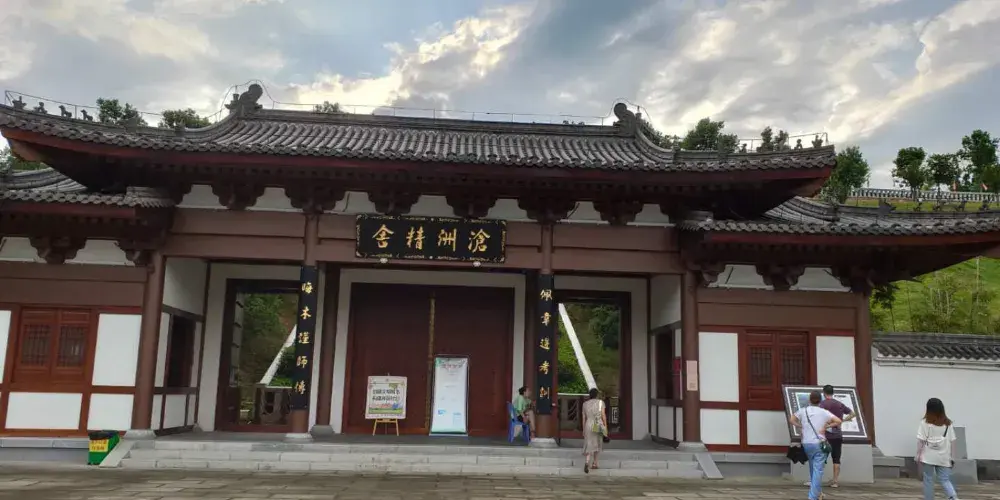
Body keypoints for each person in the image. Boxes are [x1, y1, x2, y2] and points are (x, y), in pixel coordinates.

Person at [790, 390, 842, 500]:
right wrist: (826, 427)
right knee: (818, 470)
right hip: (819, 443)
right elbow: (838, 421)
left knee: (813, 468)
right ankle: (813, 497)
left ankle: (818, 494)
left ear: (810, 399)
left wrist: (801, 426)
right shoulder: (824, 412)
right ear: (820, 400)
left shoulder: (803, 411)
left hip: (806, 443)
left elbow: (792, 419)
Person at [916, 398, 959, 500]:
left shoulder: (924, 423)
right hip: (944, 457)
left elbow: (921, 441)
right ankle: (953, 497)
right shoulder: (948, 424)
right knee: (945, 479)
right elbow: (953, 441)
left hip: (928, 457)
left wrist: (918, 455)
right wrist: (952, 457)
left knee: (928, 479)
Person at [818, 384, 856, 488]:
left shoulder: (822, 404)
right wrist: (842, 421)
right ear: (833, 392)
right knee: (836, 458)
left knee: (821, 457)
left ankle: (817, 479)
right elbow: (853, 414)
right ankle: (835, 481)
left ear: (824, 393)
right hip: (837, 435)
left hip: (825, 435)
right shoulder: (839, 404)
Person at [581, 387, 607, 474]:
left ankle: (587, 461)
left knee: (589, 443)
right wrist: (605, 426)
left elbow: (583, 418)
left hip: (588, 423)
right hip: (597, 423)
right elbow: (603, 415)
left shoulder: (585, 404)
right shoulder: (600, 403)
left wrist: (583, 429)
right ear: (597, 395)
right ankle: (595, 463)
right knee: (598, 443)